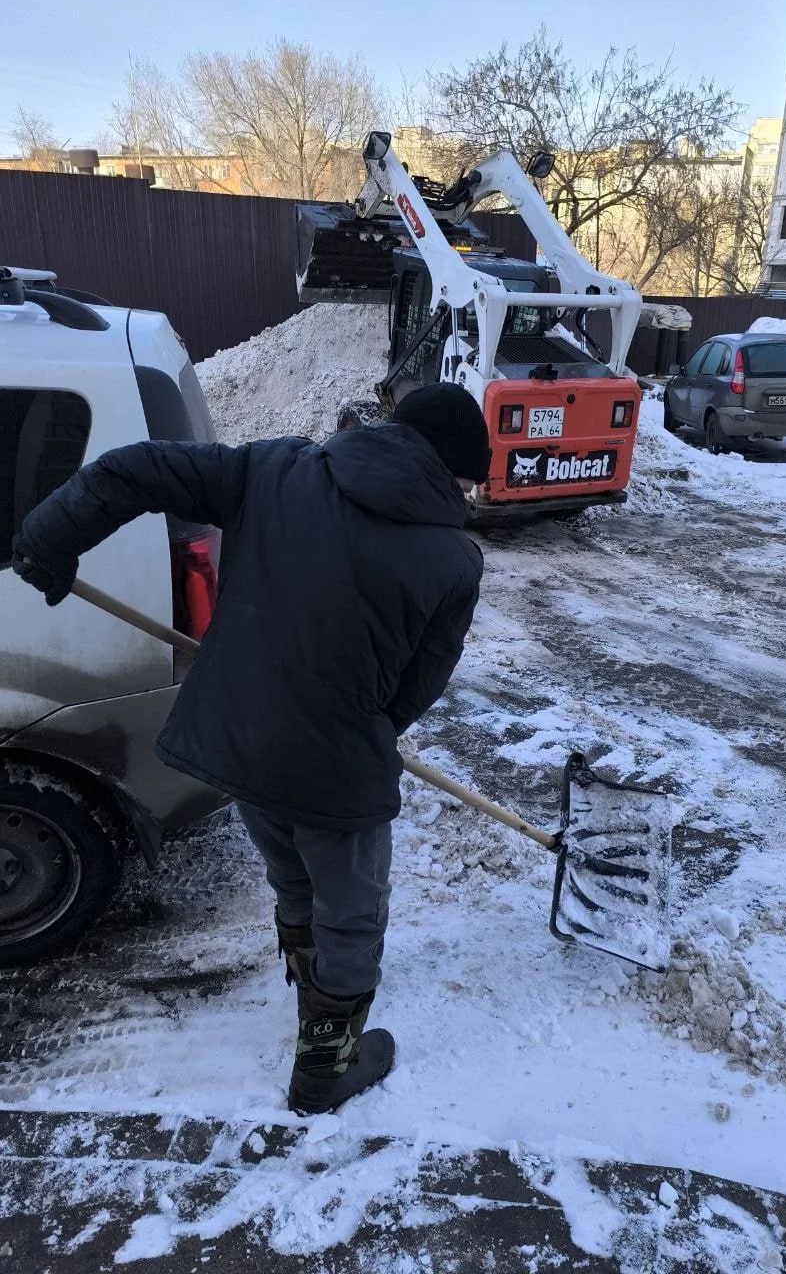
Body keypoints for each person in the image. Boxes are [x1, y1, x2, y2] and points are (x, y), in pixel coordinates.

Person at [12, 382, 490, 1115]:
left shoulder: (273, 469)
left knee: (292, 871)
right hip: (332, 761)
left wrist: (49, 537)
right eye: (463, 479)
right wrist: (353, 730)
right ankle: (326, 1063)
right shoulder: (454, 559)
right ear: (449, 466)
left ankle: (306, 983)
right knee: (352, 910)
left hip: (235, 736)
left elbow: (134, 468)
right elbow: (417, 687)